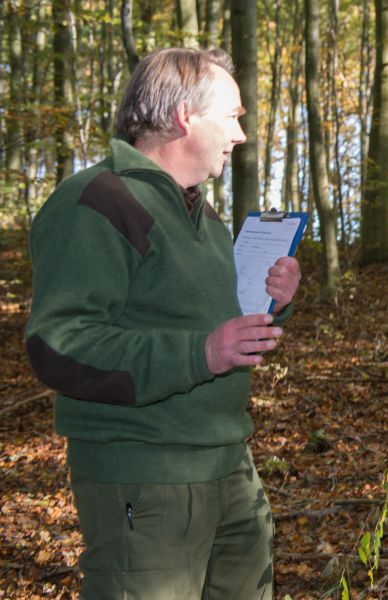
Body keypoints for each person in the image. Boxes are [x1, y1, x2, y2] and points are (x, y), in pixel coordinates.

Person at [25, 47, 301, 599]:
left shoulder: (206, 216)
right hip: (145, 474)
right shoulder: (98, 200)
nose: (240, 135)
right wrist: (201, 352)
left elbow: (209, 324)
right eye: (232, 116)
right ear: (184, 116)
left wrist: (274, 302)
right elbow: (59, 344)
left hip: (230, 466)